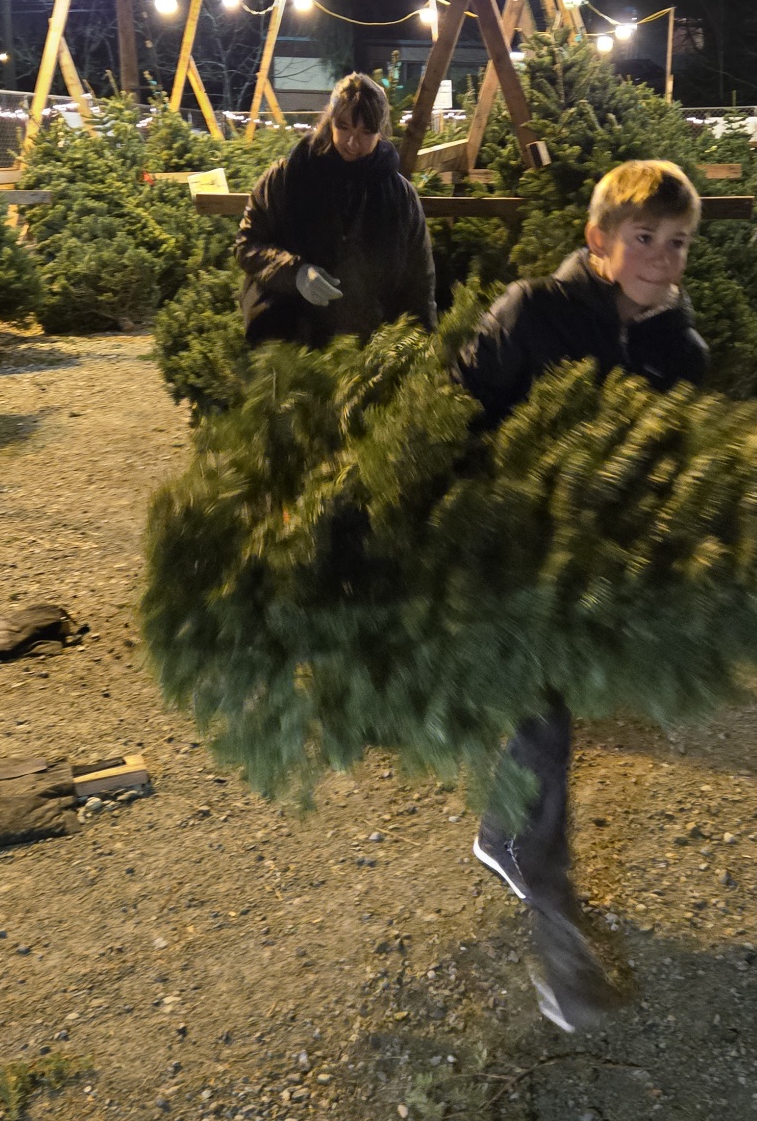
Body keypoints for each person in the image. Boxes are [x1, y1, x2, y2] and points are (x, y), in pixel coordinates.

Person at [454, 158, 708, 1029]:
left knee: (550, 719)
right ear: (599, 241)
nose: (663, 259)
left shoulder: (681, 349)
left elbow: (679, 464)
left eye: (677, 243)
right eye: (644, 239)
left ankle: (501, 836)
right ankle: (559, 946)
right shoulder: (532, 315)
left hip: (601, 571)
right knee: (545, 725)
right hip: (519, 562)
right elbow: (456, 415)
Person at [234, 72, 435, 346]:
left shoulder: (399, 196)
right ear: (330, 122)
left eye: (366, 132)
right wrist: (297, 273)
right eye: (345, 127)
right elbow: (248, 245)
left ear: (381, 130)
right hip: (297, 345)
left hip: (370, 350)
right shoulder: (287, 177)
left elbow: (419, 280)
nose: (353, 142)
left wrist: (423, 346)